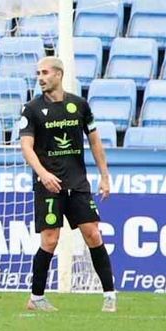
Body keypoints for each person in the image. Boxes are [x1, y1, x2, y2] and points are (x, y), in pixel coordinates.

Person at [21, 56, 116, 313]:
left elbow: (95, 142)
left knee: (93, 234)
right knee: (50, 240)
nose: (40, 77)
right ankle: (36, 298)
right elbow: (26, 147)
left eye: (45, 72)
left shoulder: (79, 105)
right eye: (38, 73)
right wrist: (43, 173)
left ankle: (109, 295)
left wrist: (104, 176)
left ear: (59, 74)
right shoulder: (31, 109)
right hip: (48, 185)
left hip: (78, 183)